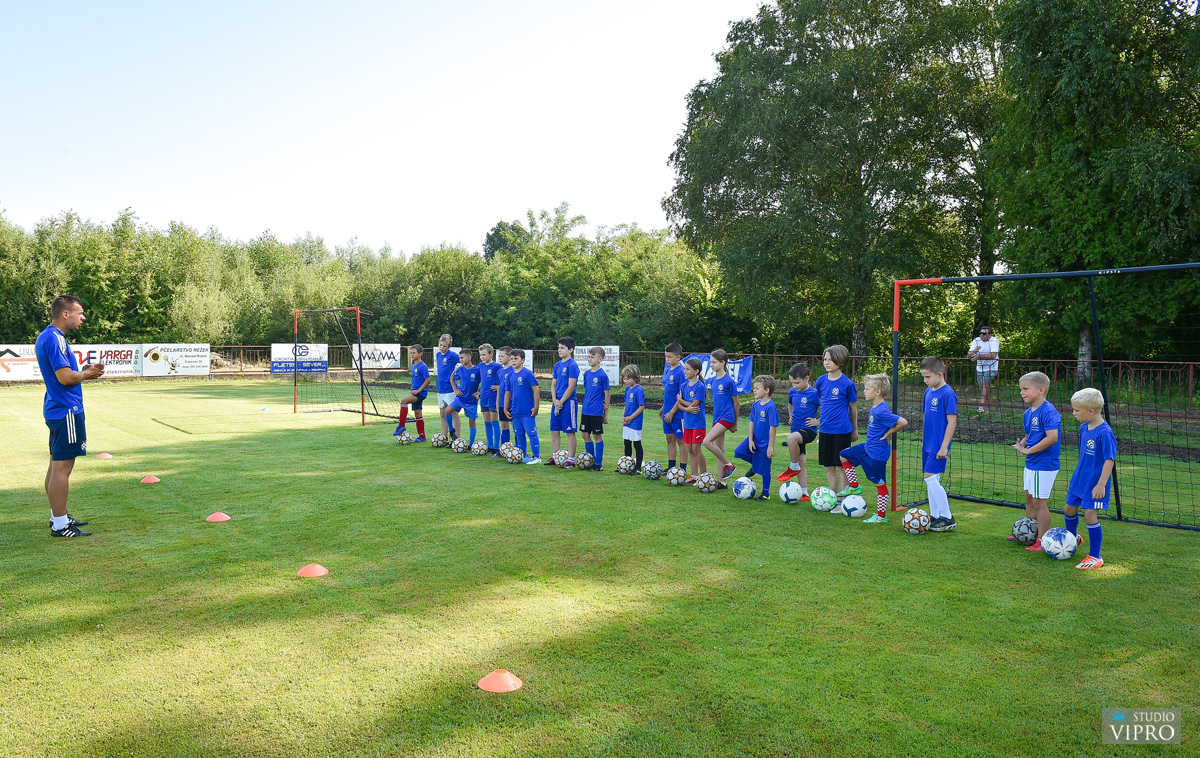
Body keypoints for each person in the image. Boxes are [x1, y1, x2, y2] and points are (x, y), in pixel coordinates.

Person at [36, 295, 105, 537]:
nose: (83, 317)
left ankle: (59, 516)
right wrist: (86, 375)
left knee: (56, 466)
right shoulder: (54, 339)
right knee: (62, 468)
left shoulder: (49, 336)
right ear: (65, 314)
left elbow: (64, 374)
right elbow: (65, 378)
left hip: (58, 408)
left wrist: (83, 371)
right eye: (80, 312)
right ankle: (60, 525)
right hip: (66, 410)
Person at [834, 374, 906, 522]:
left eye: (867, 389)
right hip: (867, 447)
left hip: (877, 454)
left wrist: (889, 433)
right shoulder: (876, 406)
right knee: (844, 455)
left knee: (880, 484)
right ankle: (854, 486)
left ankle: (881, 516)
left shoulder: (882, 410)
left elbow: (903, 422)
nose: (864, 391)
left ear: (877, 392)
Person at [1064, 388, 1115, 570]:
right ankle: (1072, 539)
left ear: (1091, 411)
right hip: (1080, 480)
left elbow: (1109, 460)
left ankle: (1095, 556)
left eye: (1077, 410)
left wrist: (1101, 484)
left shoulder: (1105, 433)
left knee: (1089, 515)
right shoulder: (1083, 427)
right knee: (1068, 508)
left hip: (1095, 484)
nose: (1074, 413)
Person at [1012, 371, 1061, 551]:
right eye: (1021, 389)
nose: (1022, 393)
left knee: (1040, 503)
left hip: (1044, 464)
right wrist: (1022, 444)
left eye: (1026, 389)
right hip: (1031, 463)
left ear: (1041, 390)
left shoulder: (1048, 411)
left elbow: (1052, 438)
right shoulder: (1028, 413)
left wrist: (1028, 450)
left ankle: (1042, 540)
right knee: (1029, 500)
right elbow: (1029, 435)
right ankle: (1028, 533)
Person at [920, 356, 959, 531]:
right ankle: (935, 515)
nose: (925, 380)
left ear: (940, 375)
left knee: (929, 477)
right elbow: (928, 418)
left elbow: (952, 422)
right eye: (923, 377)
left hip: (939, 444)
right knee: (931, 479)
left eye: (928, 377)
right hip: (928, 443)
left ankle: (947, 517)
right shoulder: (928, 392)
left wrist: (944, 446)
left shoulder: (948, 394)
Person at [815, 344, 858, 496]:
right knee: (828, 466)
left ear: (840, 361)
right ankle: (833, 496)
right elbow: (823, 402)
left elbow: (853, 408)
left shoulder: (848, 384)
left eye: (830, 360)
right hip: (825, 430)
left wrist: (854, 429)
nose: (826, 362)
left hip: (842, 430)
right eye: (825, 359)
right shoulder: (820, 381)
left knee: (841, 466)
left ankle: (843, 498)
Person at [777, 362, 819, 502]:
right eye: (792, 383)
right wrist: (791, 416)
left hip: (808, 430)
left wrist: (818, 421)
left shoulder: (814, 393)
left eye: (797, 382)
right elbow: (790, 403)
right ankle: (804, 492)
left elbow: (828, 408)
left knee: (791, 438)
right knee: (802, 462)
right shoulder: (793, 392)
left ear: (807, 378)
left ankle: (793, 467)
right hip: (796, 428)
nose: (795, 385)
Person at [734, 375, 779, 500]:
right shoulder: (755, 405)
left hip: (765, 443)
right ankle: (755, 466)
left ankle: (765, 494)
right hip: (754, 439)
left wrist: (770, 446)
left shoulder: (771, 407)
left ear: (766, 390)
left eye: (757, 388)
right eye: (754, 388)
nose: (754, 390)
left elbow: (773, 427)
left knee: (765, 469)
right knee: (739, 451)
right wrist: (750, 440)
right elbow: (752, 422)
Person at [702, 348, 741, 482]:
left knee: (706, 441)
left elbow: (736, 403)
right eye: (710, 362)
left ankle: (729, 464)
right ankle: (722, 482)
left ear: (723, 363)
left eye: (714, 362)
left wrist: (735, 423)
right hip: (717, 418)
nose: (711, 365)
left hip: (727, 417)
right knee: (719, 449)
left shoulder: (729, 381)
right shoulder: (713, 381)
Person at [503, 349, 541, 464]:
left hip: (527, 411)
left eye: (516, 359)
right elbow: (508, 393)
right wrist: (505, 408)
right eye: (512, 359)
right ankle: (522, 455)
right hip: (516, 412)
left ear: (523, 360)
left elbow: (536, 390)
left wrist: (536, 407)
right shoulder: (510, 376)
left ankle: (537, 457)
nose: (513, 361)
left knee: (532, 434)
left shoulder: (527, 374)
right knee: (519, 434)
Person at [548, 337, 580, 466]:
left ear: (570, 350)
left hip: (568, 402)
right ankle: (555, 456)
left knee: (569, 431)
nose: (559, 350)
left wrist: (560, 402)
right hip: (557, 402)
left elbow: (571, 387)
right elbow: (553, 385)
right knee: (554, 430)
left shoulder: (572, 365)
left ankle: (571, 459)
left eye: (562, 348)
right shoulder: (557, 365)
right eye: (558, 347)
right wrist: (555, 400)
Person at [676, 357, 708, 482]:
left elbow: (694, 404)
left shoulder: (700, 387)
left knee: (696, 449)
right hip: (687, 423)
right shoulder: (684, 386)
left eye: (688, 369)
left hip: (698, 424)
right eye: (685, 369)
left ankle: (704, 476)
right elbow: (680, 405)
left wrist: (681, 401)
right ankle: (694, 476)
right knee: (689, 449)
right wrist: (686, 408)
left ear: (696, 371)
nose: (685, 371)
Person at [580, 347, 611, 471]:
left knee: (597, 436)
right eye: (588, 356)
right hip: (585, 410)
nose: (589, 359)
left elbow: (607, 394)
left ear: (600, 359)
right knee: (584, 434)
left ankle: (598, 464)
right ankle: (590, 460)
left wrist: (605, 413)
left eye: (592, 357)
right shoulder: (587, 374)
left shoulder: (602, 375)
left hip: (596, 411)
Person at [394, 344, 431, 442]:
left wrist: (418, 390)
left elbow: (428, 380)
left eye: (414, 353)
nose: (412, 355)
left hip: (420, 393)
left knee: (404, 401)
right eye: (411, 353)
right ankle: (422, 436)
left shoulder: (422, 366)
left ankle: (401, 425)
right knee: (418, 413)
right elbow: (415, 379)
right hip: (415, 392)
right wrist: (412, 389)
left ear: (420, 354)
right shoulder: (413, 366)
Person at [661, 343, 687, 472]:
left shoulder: (681, 372)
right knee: (669, 438)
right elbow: (669, 393)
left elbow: (681, 395)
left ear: (678, 357)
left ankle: (682, 469)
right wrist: (664, 408)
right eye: (666, 356)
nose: (667, 359)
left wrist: (672, 411)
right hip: (667, 410)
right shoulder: (668, 370)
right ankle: (671, 467)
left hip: (677, 413)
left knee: (680, 440)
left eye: (670, 357)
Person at [448, 347, 481, 447]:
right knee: (447, 410)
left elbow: (484, 382)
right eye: (459, 358)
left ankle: (471, 445)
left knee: (472, 423)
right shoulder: (460, 369)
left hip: (471, 401)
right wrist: (455, 390)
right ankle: (451, 430)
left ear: (469, 357)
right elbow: (452, 378)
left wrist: (479, 392)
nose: (460, 360)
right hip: (460, 398)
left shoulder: (477, 370)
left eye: (462, 358)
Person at [620, 364, 646, 474]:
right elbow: (626, 404)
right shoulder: (628, 389)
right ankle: (627, 465)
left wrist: (631, 418)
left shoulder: (638, 390)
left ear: (635, 377)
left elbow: (642, 407)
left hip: (635, 422)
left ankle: (638, 467)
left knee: (636, 444)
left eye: (627, 378)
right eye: (624, 379)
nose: (625, 381)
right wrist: (623, 416)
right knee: (627, 442)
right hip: (627, 421)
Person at [434, 334, 460, 439]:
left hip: (450, 389)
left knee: (453, 413)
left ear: (449, 346)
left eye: (445, 346)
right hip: (440, 388)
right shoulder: (438, 355)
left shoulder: (452, 355)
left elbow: (463, 362)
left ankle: (457, 437)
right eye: (440, 345)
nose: (442, 347)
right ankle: (444, 437)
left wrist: (456, 373)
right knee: (442, 414)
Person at [968, 326, 1000, 413]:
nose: (982, 335)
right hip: (980, 367)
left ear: (990, 335)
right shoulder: (976, 340)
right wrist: (974, 351)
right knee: (983, 387)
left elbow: (993, 355)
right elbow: (969, 354)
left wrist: (979, 356)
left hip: (992, 367)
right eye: (981, 333)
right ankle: (988, 405)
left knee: (984, 383)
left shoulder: (994, 341)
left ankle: (981, 407)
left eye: (984, 333)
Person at [477, 344, 501, 455]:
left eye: (484, 354)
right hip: (484, 398)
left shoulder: (497, 367)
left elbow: (504, 380)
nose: (482, 357)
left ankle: (496, 447)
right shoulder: (480, 366)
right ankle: (490, 446)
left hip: (493, 398)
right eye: (480, 355)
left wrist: (499, 386)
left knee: (494, 422)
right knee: (487, 423)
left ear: (491, 354)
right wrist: (478, 392)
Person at [495, 346, 514, 456]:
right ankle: (504, 449)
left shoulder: (513, 370)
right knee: (504, 426)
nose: (500, 358)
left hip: (512, 404)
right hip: (502, 403)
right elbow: (499, 388)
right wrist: (497, 403)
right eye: (499, 356)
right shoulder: (500, 372)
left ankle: (518, 449)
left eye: (502, 356)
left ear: (509, 357)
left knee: (515, 427)